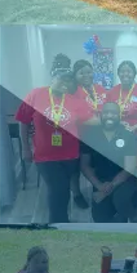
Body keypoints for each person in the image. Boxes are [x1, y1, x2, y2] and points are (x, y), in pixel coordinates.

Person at [18, 63, 96, 223]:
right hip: (45, 156)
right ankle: (58, 223)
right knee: (58, 189)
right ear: (52, 79)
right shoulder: (36, 94)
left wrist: (115, 120)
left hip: (70, 155)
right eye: (61, 79)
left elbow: (92, 120)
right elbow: (23, 121)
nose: (65, 83)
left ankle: (61, 220)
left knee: (63, 188)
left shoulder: (75, 101)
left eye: (69, 81)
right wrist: (25, 148)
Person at [81, 102, 137, 223]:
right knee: (99, 218)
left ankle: (134, 215)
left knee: (121, 201)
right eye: (106, 112)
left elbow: (129, 168)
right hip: (101, 181)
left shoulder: (128, 136)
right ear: (100, 115)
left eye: (113, 113)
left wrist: (107, 189)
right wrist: (99, 186)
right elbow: (84, 165)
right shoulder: (89, 135)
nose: (109, 116)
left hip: (125, 180)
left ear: (119, 116)